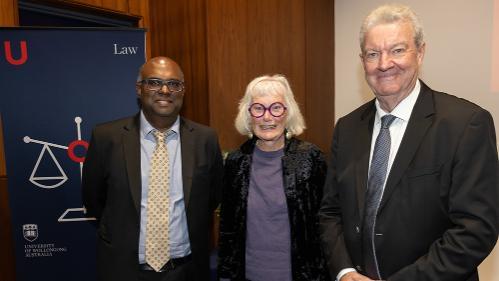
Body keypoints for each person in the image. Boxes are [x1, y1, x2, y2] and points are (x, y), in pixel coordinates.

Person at [319, 4, 498, 281]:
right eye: (372, 54)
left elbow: (476, 230)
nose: (384, 64)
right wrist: (345, 272)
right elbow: (330, 212)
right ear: (362, 60)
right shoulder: (347, 127)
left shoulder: (466, 124)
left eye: (397, 50)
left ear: (421, 52)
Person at [82, 56, 223, 281]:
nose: (165, 90)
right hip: (123, 270)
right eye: (154, 82)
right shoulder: (106, 137)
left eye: (174, 84)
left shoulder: (205, 139)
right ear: (139, 89)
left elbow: (212, 198)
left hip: (186, 270)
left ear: (183, 91)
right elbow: (93, 200)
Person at [218, 74, 329, 281]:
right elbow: (228, 231)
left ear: (288, 114)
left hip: (301, 276)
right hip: (248, 275)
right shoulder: (235, 162)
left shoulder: (310, 158)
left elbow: (326, 224)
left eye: (276, 108)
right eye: (258, 108)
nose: (267, 117)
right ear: (248, 115)